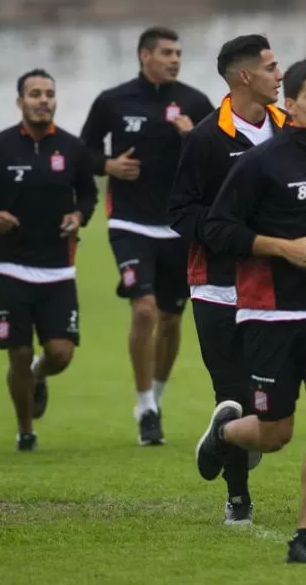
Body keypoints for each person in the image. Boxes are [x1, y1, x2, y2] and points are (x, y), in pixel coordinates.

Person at [195, 58, 306, 564]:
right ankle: (226, 434)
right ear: (289, 105)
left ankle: (305, 538)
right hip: (271, 314)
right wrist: (281, 247)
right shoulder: (260, 163)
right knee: (275, 433)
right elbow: (219, 230)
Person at [168, 35, 285, 525]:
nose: (280, 75)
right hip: (216, 286)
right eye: (272, 67)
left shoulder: (290, 131)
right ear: (245, 77)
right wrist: (226, 236)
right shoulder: (203, 140)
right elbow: (180, 213)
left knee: (273, 408)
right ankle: (238, 499)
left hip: (280, 288)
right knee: (233, 396)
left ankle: (222, 438)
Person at [81, 26, 213, 446]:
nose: (175, 59)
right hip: (129, 222)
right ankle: (144, 407)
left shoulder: (194, 102)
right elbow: (81, 150)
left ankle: (157, 397)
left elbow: (219, 154)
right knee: (144, 311)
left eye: (178, 52)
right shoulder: (113, 100)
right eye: (167, 52)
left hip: (177, 227)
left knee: (172, 320)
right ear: (144, 55)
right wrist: (107, 166)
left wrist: (193, 136)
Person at [0, 69, 97, 451]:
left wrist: (78, 217)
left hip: (58, 267)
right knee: (18, 352)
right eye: (35, 94)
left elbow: (87, 195)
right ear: (20, 101)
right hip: (9, 265)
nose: (43, 100)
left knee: (61, 353)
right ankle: (26, 430)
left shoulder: (72, 149)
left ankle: (40, 375)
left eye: (49, 94)